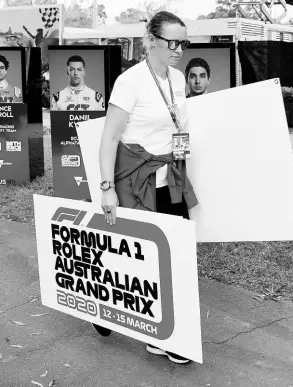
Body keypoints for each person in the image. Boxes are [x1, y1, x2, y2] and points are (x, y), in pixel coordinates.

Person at [96, 11, 198, 365]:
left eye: (183, 42)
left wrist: (181, 159)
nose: (179, 49)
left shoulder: (179, 78)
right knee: (136, 256)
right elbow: (109, 138)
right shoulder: (130, 81)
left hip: (170, 175)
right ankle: (107, 307)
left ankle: (162, 336)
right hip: (136, 178)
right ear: (151, 41)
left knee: (174, 251)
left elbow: (178, 125)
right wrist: (106, 188)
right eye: (173, 42)